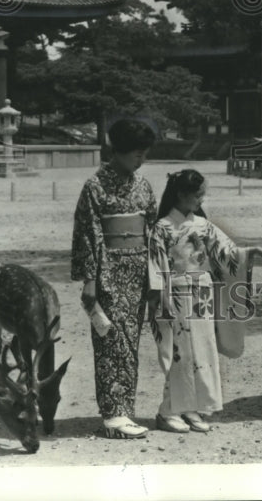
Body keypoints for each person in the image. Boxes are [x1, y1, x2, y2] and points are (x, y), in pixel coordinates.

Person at [147, 169, 262, 434]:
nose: (201, 201)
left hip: (202, 291)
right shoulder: (162, 228)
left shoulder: (203, 225)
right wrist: (162, 297)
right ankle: (167, 410)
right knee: (180, 352)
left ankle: (192, 406)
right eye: (197, 196)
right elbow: (156, 265)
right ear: (181, 194)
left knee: (203, 351)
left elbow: (228, 251)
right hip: (177, 291)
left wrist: (253, 252)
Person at [71, 117, 158, 439]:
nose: (141, 159)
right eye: (136, 153)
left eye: (144, 153)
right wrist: (89, 279)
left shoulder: (144, 185)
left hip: (138, 270)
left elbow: (152, 231)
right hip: (107, 270)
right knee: (110, 342)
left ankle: (125, 410)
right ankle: (112, 415)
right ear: (117, 151)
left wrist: (155, 276)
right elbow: (87, 234)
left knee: (131, 342)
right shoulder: (95, 186)